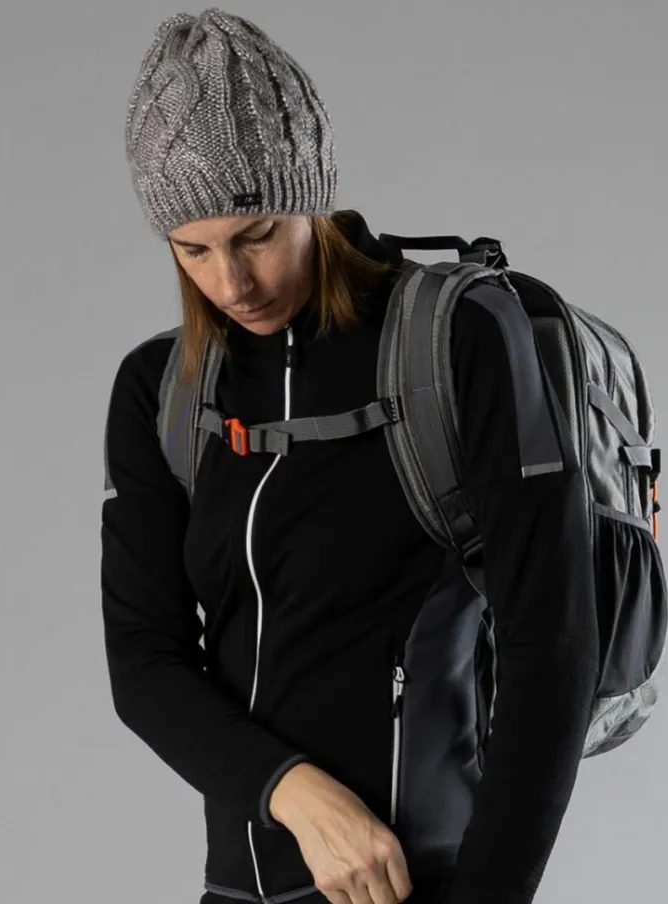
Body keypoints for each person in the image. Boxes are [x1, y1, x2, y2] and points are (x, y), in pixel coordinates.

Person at [101, 8, 600, 904]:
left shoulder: (461, 340)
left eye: (256, 235)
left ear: (313, 198)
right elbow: (144, 659)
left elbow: (553, 645)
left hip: (436, 881)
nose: (230, 283)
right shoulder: (162, 389)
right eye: (192, 250)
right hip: (240, 888)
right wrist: (296, 794)